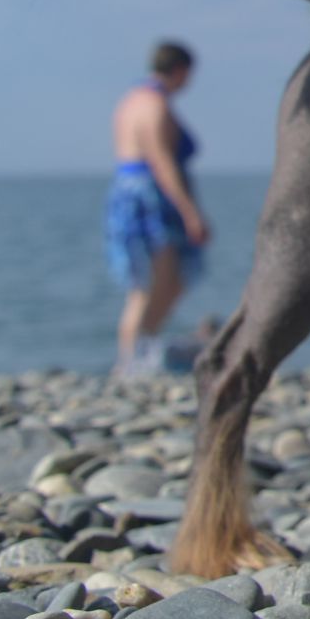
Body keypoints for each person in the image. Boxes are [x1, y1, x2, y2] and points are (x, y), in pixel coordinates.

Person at [105, 41, 211, 375]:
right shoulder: (155, 106)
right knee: (155, 282)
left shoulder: (130, 101)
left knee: (156, 282)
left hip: (128, 190)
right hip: (152, 196)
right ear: (180, 70)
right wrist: (191, 212)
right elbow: (162, 161)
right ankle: (132, 359)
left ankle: (137, 353)